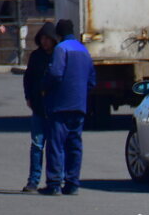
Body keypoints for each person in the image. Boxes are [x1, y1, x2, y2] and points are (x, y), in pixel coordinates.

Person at [40, 19, 95, 196]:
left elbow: (56, 73)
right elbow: (92, 80)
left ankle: (54, 183)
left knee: (56, 145)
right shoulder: (84, 50)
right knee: (74, 145)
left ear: (59, 34)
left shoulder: (61, 49)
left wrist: (44, 87)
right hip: (79, 104)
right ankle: (72, 183)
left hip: (61, 104)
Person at [22, 22, 58, 193]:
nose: (45, 42)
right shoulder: (36, 56)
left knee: (54, 146)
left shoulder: (59, 55)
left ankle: (54, 180)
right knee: (37, 145)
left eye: (48, 39)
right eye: (42, 38)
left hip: (54, 108)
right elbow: (28, 78)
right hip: (38, 107)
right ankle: (33, 180)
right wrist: (28, 97)